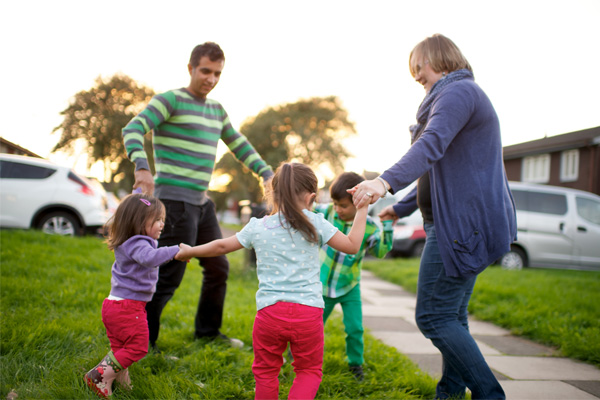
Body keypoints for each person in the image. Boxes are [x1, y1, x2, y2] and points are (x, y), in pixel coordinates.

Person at [351, 34, 517, 400]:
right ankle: (450, 395)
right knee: (452, 317)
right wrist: (404, 206)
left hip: (459, 227)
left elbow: (431, 145)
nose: (416, 77)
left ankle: (492, 396)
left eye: (419, 69)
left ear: (439, 60)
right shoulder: (455, 96)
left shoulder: (458, 93)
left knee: (433, 317)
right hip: (459, 223)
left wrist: (384, 181)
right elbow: (437, 168)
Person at [121, 42, 273, 350]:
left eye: (218, 73)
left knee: (218, 268)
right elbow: (133, 129)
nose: (212, 79)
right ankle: (142, 344)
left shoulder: (216, 110)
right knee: (167, 276)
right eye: (206, 71)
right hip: (174, 202)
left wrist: (268, 174)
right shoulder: (171, 100)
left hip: (202, 203)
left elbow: (240, 145)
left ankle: (207, 332)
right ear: (191, 68)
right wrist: (141, 166)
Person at [176, 162, 369, 400]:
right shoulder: (315, 223)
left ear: (272, 193)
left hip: (270, 314)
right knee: (308, 371)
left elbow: (222, 245)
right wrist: (362, 210)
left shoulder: (258, 227)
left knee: (266, 372)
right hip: (307, 314)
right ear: (311, 197)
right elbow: (351, 246)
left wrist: (191, 250)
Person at [84, 193, 187, 398]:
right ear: (139, 221)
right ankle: (99, 375)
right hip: (129, 308)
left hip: (114, 305)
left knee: (121, 349)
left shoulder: (129, 241)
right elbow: (150, 258)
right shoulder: (139, 243)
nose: (161, 225)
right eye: (157, 220)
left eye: (162, 220)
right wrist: (177, 250)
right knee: (138, 348)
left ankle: (122, 384)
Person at [314, 172, 393, 381]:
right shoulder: (326, 213)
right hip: (320, 288)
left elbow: (380, 252)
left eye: (343, 205)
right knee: (312, 328)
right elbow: (302, 213)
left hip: (350, 287)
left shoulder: (369, 226)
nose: (338, 209)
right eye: (335, 203)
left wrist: (386, 226)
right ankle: (300, 358)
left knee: (355, 328)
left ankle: (356, 364)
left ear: (358, 203)